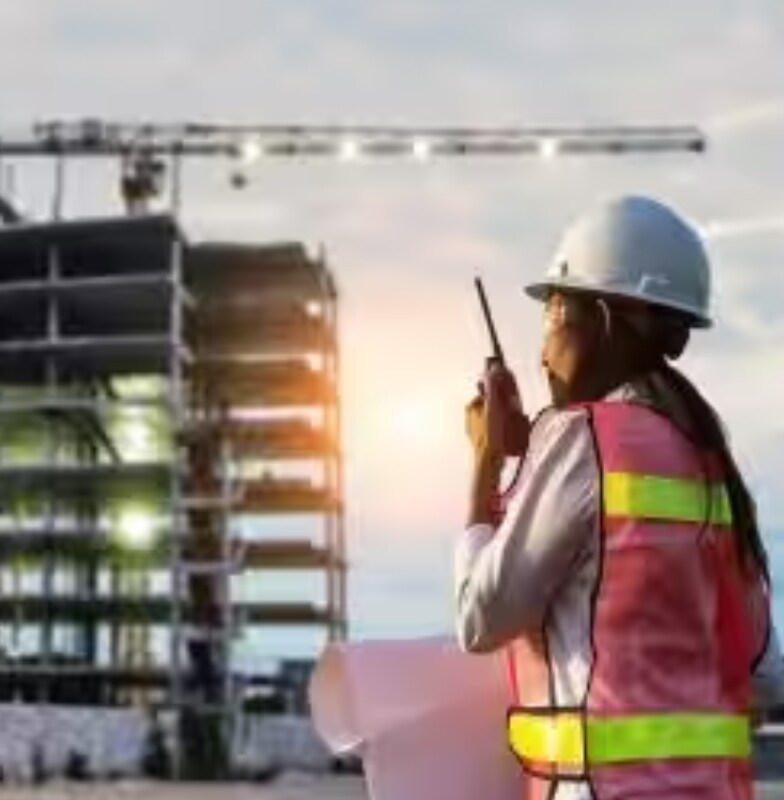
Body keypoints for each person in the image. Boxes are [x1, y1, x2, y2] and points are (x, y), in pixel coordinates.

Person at [458, 196, 784, 800]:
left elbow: (481, 618)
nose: (543, 344)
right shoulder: (710, 462)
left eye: (557, 308)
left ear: (606, 319)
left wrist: (485, 465)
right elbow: (764, 675)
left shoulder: (580, 438)